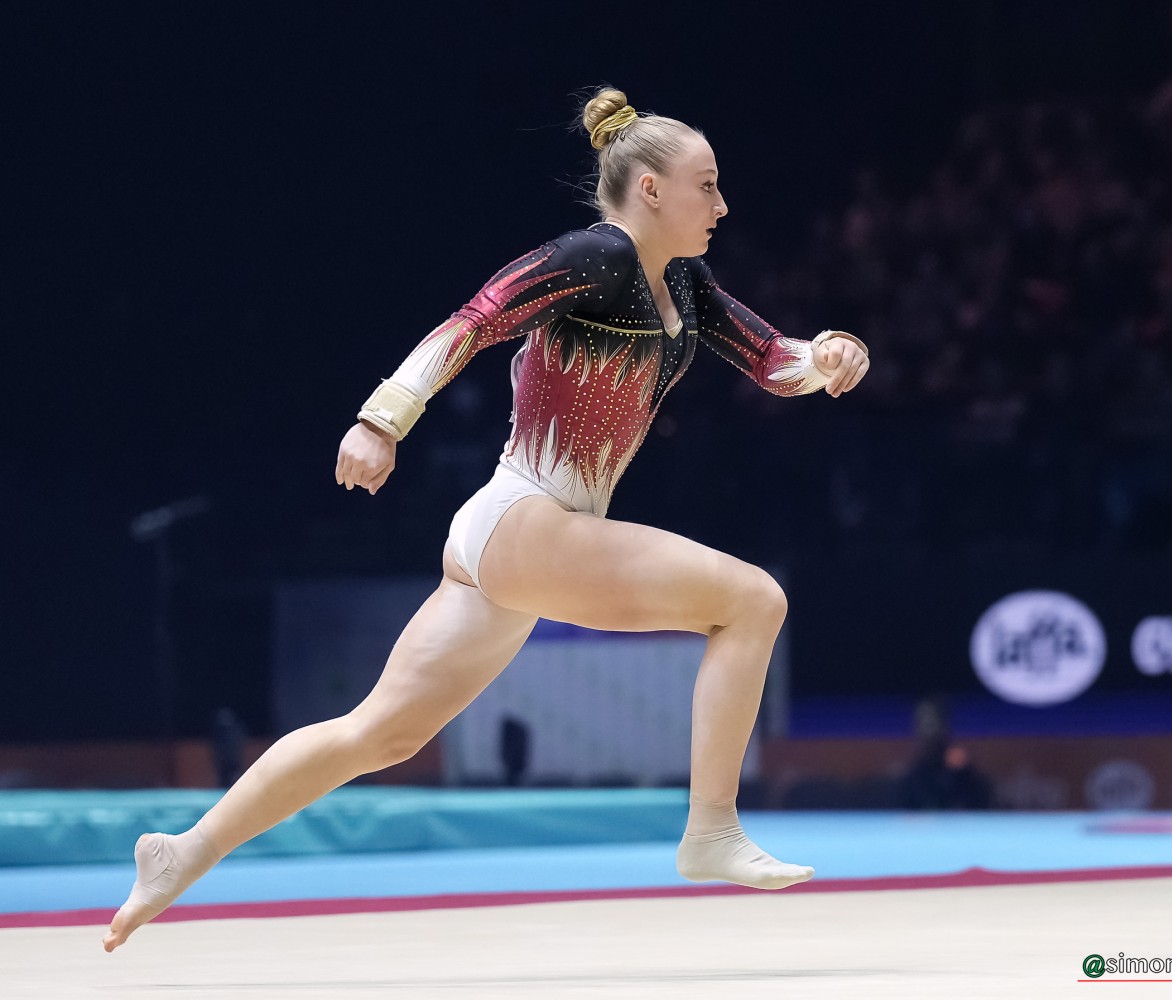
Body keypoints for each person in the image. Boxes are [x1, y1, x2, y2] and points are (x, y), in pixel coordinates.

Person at [104, 87, 870, 952]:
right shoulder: (596, 256)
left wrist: (830, 356)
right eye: (708, 185)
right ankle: (711, 828)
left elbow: (774, 363)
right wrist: (380, 420)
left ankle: (182, 851)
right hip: (526, 517)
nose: (722, 205)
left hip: (512, 542)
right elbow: (474, 321)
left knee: (380, 733)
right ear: (651, 189)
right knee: (753, 600)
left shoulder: (685, 286)